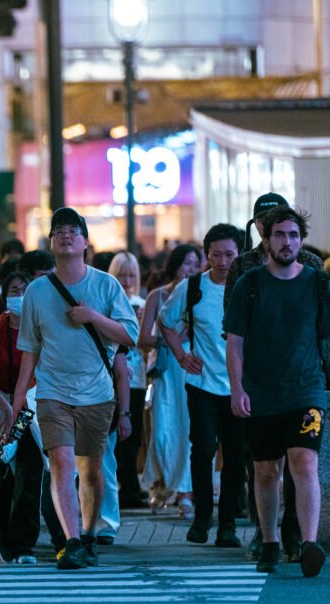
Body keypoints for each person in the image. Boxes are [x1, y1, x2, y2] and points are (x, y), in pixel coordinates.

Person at [10, 207, 138, 570]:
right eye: (58, 231)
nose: (65, 235)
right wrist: (20, 395)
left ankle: (89, 532)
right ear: (51, 242)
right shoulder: (36, 291)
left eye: (72, 230)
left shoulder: (105, 285)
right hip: (52, 391)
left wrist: (93, 317)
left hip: (97, 392)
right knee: (62, 464)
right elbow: (29, 348)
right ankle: (70, 541)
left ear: (85, 242)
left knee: (92, 470)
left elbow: (131, 335)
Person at [226, 206, 326, 577]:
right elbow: (234, 342)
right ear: (265, 241)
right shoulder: (248, 285)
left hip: (306, 390)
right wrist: (237, 390)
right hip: (261, 392)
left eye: (294, 236)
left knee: (305, 462)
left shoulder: (317, 283)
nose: (288, 242)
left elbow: (327, 337)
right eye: (280, 235)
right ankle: (268, 542)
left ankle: (309, 542)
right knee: (267, 471)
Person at [160, 224, 245, 547]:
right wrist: (182, 356)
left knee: (236, 456)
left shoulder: (247, 287)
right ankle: (201, 519)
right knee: (203, 449)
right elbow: (166, 323)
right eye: (216, 255)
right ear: (206, 256)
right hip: (201, 383)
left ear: (240, 254)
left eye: (229, 255)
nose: (223, 262)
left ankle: (228, 525)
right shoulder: (192, 286)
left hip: (239, 386)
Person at [0, 270, 45, 564]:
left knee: (29, 474)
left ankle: (23, 546)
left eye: (24, 290)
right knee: (1, 474)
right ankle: (4, 535)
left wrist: (17, 410)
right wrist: (5, 408)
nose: (19, 296)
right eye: (14, 290)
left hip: (28, 409)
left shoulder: (41, 328)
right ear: (5, 295)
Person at [139, 244, 201, 515]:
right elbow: (142, 339)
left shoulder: (200, 294)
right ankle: (161, 486)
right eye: (187, 263)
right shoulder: (157, 295)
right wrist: (172, 338)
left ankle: (186, 491)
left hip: (190, 368)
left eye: (196, 264)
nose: (192, 269)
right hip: (164, 370)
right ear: (175, 265)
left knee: (188, 429)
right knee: (162, 430)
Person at [108, 252, 148, 507]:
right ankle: (118, 485)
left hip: (137, 378)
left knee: (133, 436)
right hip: (109, 378)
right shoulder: (107, 301)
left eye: (131, 274)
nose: (127, 279)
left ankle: (130, 484)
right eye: (122, 274)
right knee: (111, 435)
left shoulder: (141, 303)